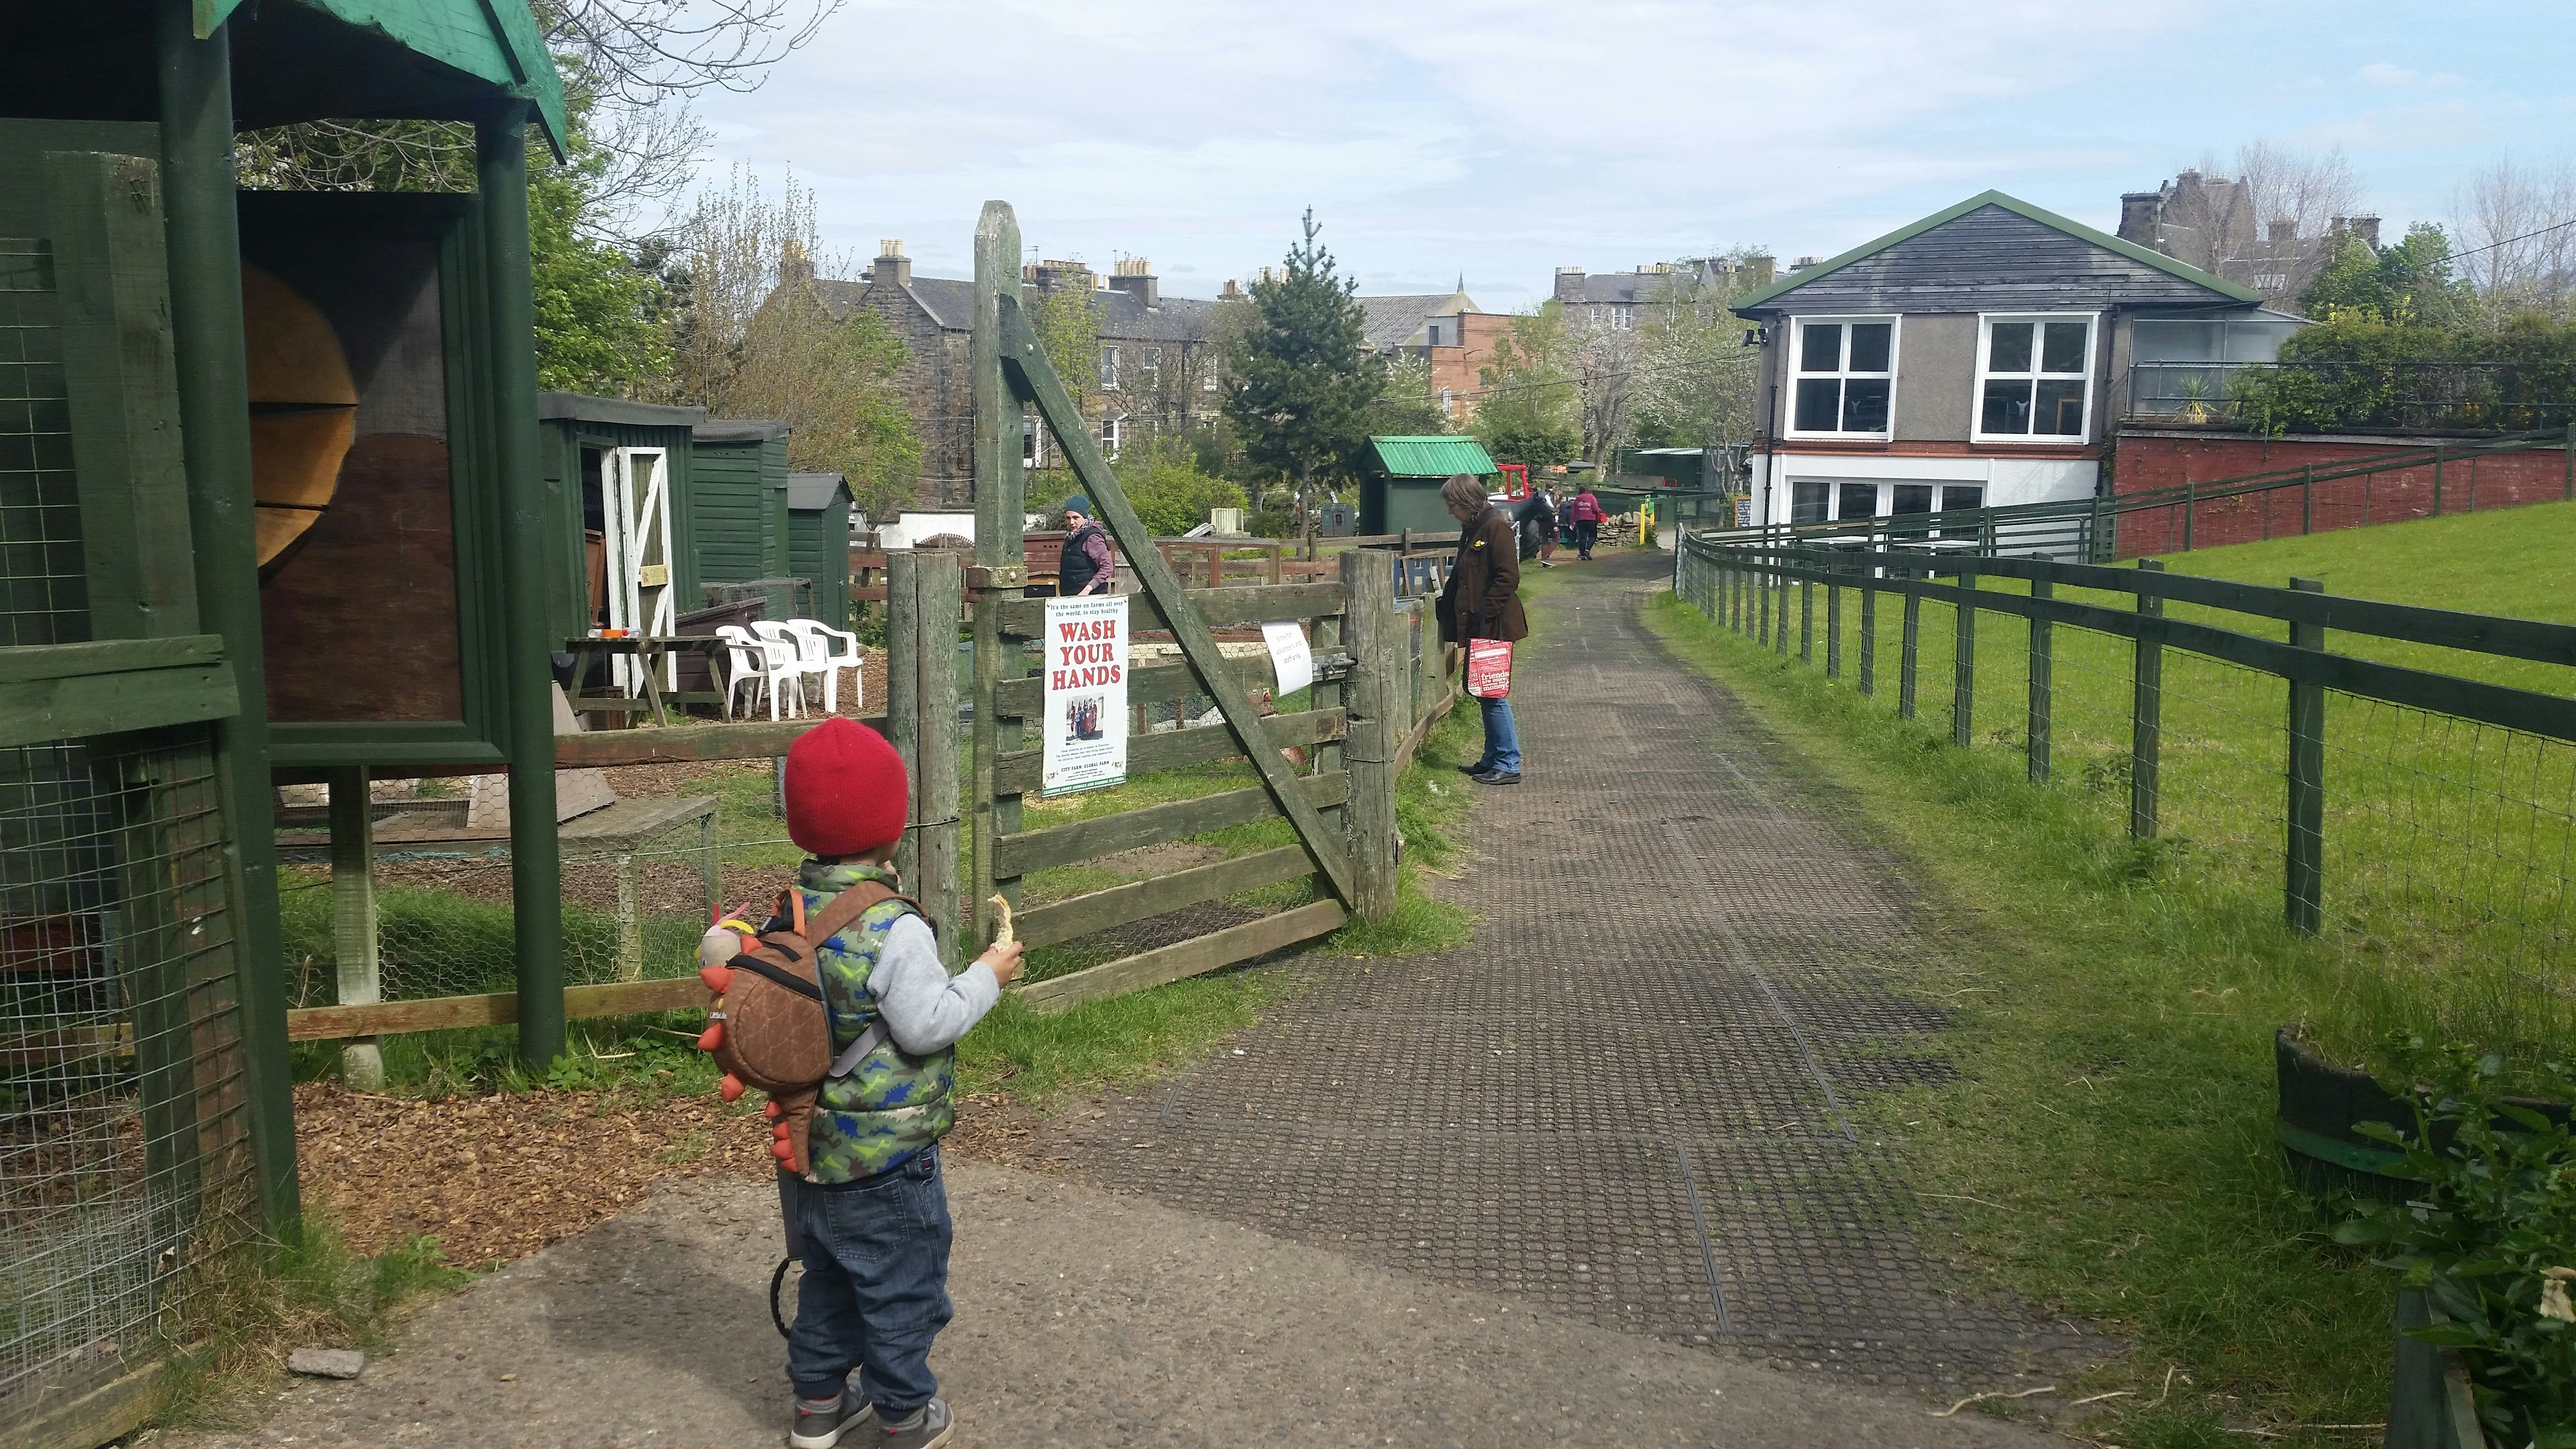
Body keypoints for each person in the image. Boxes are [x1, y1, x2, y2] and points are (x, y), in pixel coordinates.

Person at [779, 717, 1025, 1449]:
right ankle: (904, 1414)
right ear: (892, 829)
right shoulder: (895, 926)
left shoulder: (790, 911)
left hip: (810, 1148)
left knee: (828, 1280)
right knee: (902, 1288)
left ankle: (819, 1406)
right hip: (889, 1158)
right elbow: (925, 1025)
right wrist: (988, 976)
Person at [1436, 473, 1528, 785]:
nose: (1449, 511)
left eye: (1452, 504)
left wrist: (1484, 616)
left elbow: (1508, 578)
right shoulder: (1474, 528)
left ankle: (1508, 762)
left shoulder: (1495, 527)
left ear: (1466, 501)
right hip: (1483, 625)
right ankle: (1493, 760)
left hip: (1495, 626)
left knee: (1492, 694)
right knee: (1482, 691)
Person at [1057, 502, 1112, 596]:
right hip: (1071, 597)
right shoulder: (1071, 537)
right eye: (1068, 518)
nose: (1071, 522)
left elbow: (1107, 567)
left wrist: (1087, 590)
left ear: (1085, 517)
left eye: (1076, 518)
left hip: (1091, 599)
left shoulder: (1092, 537)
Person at [1519, 487, 1558, 568]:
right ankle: (1546, 557)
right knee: (1557, 538)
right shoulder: (1547, 498)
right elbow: (1550, 512)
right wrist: (1554, 525)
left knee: (1544, 540)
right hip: (1549, 522)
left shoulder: (1533, 499)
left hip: (1540, 521)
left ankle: (1544, 558)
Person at [1567, 485, 1604, 561]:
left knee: (1582, 538)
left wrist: (1571, 522)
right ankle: (1587, 550)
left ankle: (1582, 554)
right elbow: (1596, 509)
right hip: (1591, 519)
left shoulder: (1577, 499)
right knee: (1593, 536)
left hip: (1580, 520)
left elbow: (1573, 512)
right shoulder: (1592, 497)